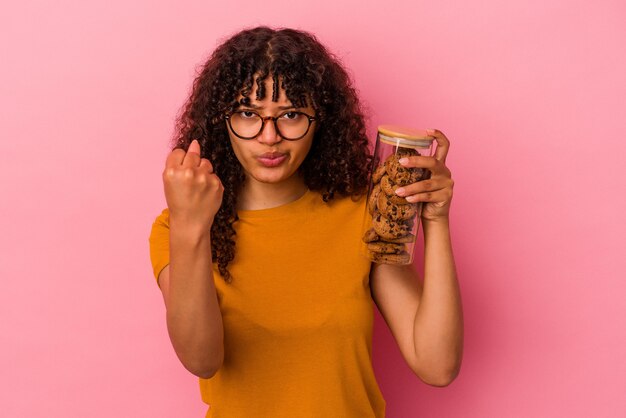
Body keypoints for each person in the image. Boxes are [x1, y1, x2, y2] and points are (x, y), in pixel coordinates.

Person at [148, 26, 463, 418]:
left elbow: (436, 364)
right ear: (220, 120)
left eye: (291, 115)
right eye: (249, 114)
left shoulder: (361, 213)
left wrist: (435, 220)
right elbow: (201, 359)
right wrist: (190, 224)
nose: (270, 137)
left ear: (321, 119)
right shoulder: (178, 226)